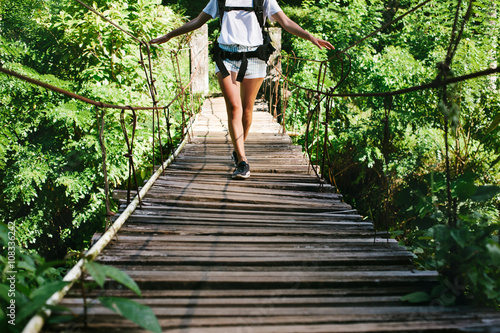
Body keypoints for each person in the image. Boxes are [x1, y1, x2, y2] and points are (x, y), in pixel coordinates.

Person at [150, 0, 334, 179]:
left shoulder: (264, 0)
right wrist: (169, 36)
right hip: (226, 57)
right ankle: (242, 161)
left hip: (254, 57)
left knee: (247, 109)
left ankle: (238, 150)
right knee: (234, 107)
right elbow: (198, 21)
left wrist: (310, 37)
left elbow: (285, 22)